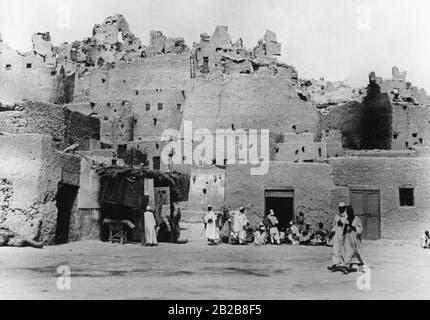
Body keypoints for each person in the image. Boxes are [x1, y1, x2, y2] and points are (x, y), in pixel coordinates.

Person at [342, 206, 365, 272]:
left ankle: (361, 264)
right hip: (348, 237)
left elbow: (360, 229)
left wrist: (352, 226)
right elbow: (344, 229)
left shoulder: (357, 219)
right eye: (348, 212)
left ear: (352, 212)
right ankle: (347, 264)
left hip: (355, 237)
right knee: (348, 250)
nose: (349, 213)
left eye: (350, 212)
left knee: (357, 250)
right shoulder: (346, 219)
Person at [327, 202, 347, 271]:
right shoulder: (337, 215)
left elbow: (348, 225)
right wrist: (331, 233)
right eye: (339, 208)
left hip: (343, 235)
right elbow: (334, 225)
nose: (340, 209)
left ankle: (344, 263)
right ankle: (334, 264)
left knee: (343, 249)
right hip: (336, 234)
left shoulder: (347, 216)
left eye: (342, 208)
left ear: (344, 208)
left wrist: (342, 223)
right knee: (335, 249)